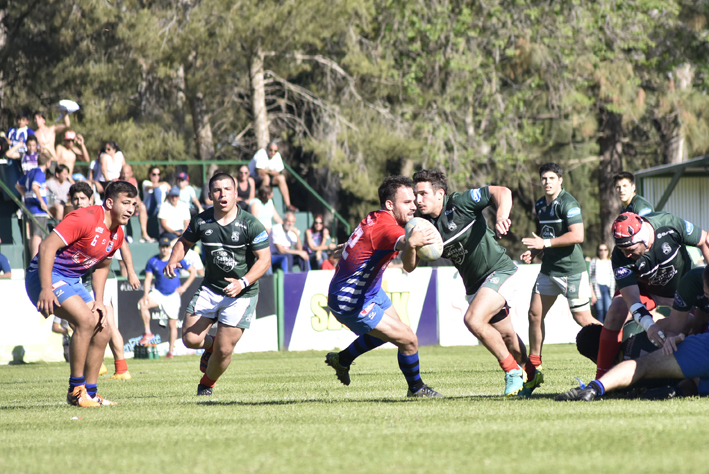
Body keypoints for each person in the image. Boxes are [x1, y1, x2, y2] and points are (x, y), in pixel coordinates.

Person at [325, 176, 443, 398]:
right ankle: (416, 390)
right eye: (407, 202)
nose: (414, 205)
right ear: (390, 205)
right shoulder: (388, 228)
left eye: (414, 200)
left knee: (395, 335)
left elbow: (371, 240)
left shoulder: (376, 218)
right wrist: (412, 242)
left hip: (369, 290)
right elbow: (408, 265)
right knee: (408, 339)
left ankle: (342, 360)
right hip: (351, 299)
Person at [413, 169, 528, 396]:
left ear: (440, 194)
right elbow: (409, 262)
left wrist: (502, 216)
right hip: (475, 286)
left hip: (500, 270)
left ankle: (512, 372)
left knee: (473, 320)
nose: (418, 200)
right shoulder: (423, 225)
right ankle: (530, 374)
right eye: (416, 195)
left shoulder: (460, 202)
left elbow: (502, 192)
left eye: (423, 194)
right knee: (507, 338)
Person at [25, 180, 137, 407]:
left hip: (72, 280)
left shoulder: (117, 234)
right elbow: (46, 247)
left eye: (133, 204)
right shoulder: (85, 217)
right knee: (86, 321)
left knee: (103, 326)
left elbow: (102, 267)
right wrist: (46, 288)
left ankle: (91, 393)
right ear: (109, 202)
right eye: (125, 203)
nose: (130, 209)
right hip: (44, 275)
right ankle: (76, 391)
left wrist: (98, 301)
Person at [163, 172, 271, 396]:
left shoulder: (251, 224)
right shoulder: (202, 220)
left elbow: (265, 260)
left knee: (224, 350)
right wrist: (174, 259)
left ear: (236, 193)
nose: (223, 194)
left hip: (242, 293)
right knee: (190, 339)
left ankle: (206, 383)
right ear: (210, 194)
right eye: (217, 190)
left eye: (227, 189)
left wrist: (243, 282)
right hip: (211, 288)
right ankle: (209, 346)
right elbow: (184, 242)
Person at [557, 265, 709, 401]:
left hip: (685, 360)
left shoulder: (619, 379)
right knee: (692, 381)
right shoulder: (632, 327)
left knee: (647, 369)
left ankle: (595, 388)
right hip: (688, 356)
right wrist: (682, 334)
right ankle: (677, 390)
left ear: (595, 358)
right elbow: (681, 320)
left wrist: (679, 335)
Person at [594, 211, 709, 379]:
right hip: (647, 292)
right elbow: (632, 299)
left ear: (643, 238)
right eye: (622, 249)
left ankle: (689, 378)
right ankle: (601, 376)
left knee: (693, 326)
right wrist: (649, 325)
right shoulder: (620, 256)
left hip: (680, 291)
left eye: (630, 249)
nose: (626, 255)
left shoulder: (669, 224)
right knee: (616, 310)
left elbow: (704, 240)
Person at [519, 163, 599, 394]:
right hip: (549, 269)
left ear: (560, 180)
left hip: (572, 271)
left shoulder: (568, 203)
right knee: (534, 314)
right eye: (544, 178)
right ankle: (534, 368)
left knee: (583, 318)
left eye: (552, 178)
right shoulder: (541, 204)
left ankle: (619, 350)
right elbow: (547, 235)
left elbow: (578, 235)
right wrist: (535, 251)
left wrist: (544, 244)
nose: (547, 182)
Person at [69, 181, 138, 381]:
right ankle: (103, 365)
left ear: (92, 200)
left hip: (98, 281)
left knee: (106, 325)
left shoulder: (103, 220)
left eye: (83, 198)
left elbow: (122, 244)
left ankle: (117, 368)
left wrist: (131, 271)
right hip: (82, 281)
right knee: (85, 323)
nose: (79, 202)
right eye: (75, 199)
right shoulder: (78, 220)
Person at [139, 236, 196, 358]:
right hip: (159, 292)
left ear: (170, 248)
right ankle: (148, 332)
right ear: (159, 247)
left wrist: (184, 287)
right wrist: (145, 295)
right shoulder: (153, 261)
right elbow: (148, 279)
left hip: (173, 295)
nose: (164, 249)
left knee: (172, 324)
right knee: (142, 304)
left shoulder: (176, 259)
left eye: (166, 246)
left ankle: (171, 351)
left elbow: (193, 272)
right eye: (162, 246)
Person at [248, 141, 297, 212]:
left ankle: (288, 205)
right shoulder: (261, 153)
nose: (273, 152)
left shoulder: (277, 155)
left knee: (281, 178)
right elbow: (259, 171)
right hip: (254, 178)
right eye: (271, 150)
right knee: (266, 178)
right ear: (267, 149)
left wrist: (267, 170)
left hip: (268, 177)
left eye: (275, 151)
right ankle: (263, 201)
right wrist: (271, 171)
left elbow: (278, 172)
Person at [23, 151, 52, 259]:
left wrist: (27, 196)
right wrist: (42, 202)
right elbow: (35, 186)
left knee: (32, 236)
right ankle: (35, 262)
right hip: (38, 210)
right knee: (37, 235)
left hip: (29, 208)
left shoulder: (30, 172)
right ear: (48, 163)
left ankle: (33, 261)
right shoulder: (40, 173)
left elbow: (18, 185)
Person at [119, 164, 154, 242]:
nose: (125, 175)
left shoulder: (133, 181)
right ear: (120, 173)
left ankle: (144, 234)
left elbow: (136, 196)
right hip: (121, 207)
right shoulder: (116, 182)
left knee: (142, 207)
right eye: (123, 173)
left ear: (131, 173)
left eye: (127, 173)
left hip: (131, 206)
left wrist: (137, 203)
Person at [589, 243, 615, 323]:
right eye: (600, 250)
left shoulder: (610, 262)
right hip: (597, 289)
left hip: (608, 289)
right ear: (598, 251)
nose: (603, 252)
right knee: (599, 311)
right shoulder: (594, 261)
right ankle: (599, 330)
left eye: (605, 250)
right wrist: (592, 293)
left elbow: (613, 278)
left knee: (608, 311)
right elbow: (590, 278)